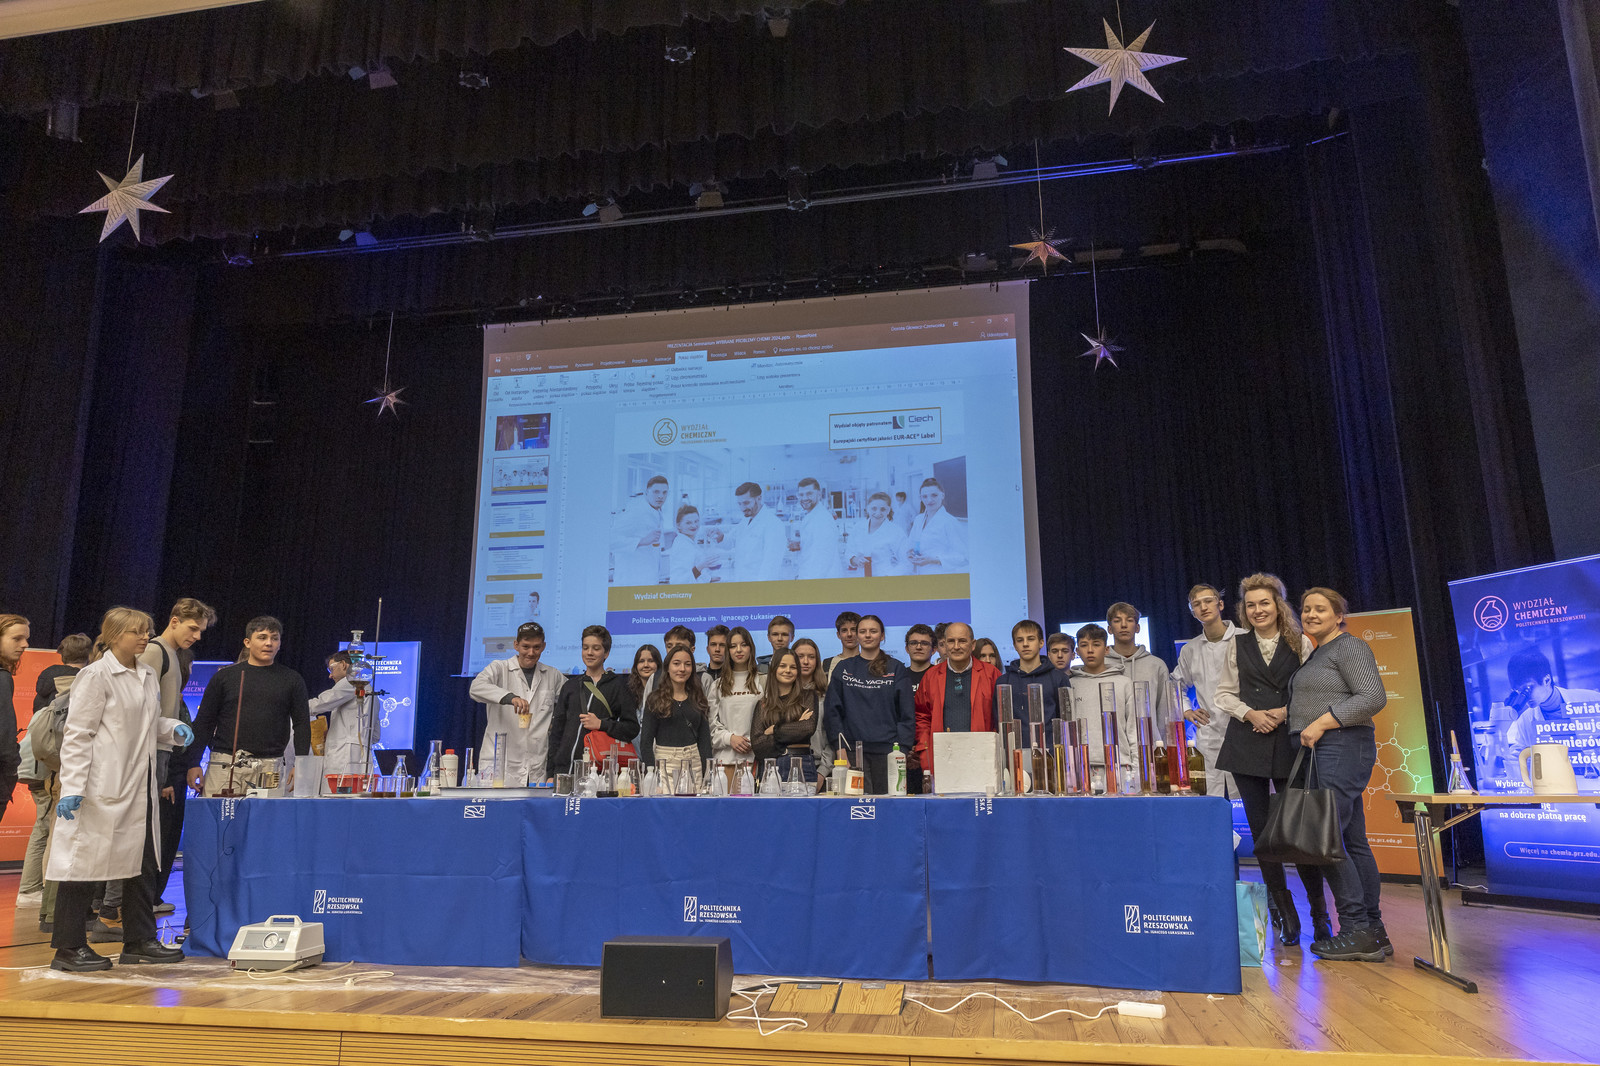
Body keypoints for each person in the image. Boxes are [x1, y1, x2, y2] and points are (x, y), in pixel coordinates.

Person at [47, 607, 193, 972]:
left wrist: (170, 729)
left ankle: (139, 940)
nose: (145, 637)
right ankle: (68, 947)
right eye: (137, 632)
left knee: (142, 864)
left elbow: (142, 724)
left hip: (137, 785)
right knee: (82, 865)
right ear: (114, 636)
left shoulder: (146, 674)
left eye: (148, 630)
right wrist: (73, 785)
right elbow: (79, 733)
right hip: (100, 786)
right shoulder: (96, 675)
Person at [1213, 574, 1328, 948]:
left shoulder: (1301, 642)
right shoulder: (1236, 645)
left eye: (1264, 603)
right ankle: (1285, 913)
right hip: (1246, 743)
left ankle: (1320, 915)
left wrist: (1281, 712)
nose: (1257, 610)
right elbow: (1223, 695)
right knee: (1263, 835)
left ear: (1278, 605)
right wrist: (1250, 713)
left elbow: (1313, 691)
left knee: (1299, 832)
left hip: (1290, 741)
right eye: (1250, 605)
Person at [1294, 587, 1389, 963]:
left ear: (1339, 616)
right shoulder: (1318, 652)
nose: (1311, 614)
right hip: (1329, 750)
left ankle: (1354, 929)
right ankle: (1373, 931)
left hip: (1342, 745)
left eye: (1320, 609)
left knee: (1328, 837)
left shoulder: (1349, 646)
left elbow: (1372, 696)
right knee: (1352, 839)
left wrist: (1321, 723)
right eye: (1306, 609)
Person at [137, 597, 214, 913]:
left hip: (162, 754)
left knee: (151, 837)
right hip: (148, 754)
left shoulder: (172, 654)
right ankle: (122, 907)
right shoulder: (155, 651)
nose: (196, 636)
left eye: (201, 631)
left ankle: (139, 905)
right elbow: (140, 710)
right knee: (142, 836)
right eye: (193, 628)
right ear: (174, 621)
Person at [190, 617, 310, 796]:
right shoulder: (225, 677)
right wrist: (193, 762)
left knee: (265, 814)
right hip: (225, 764)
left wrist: (301, 764)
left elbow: (301, 724)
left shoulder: (292, 679)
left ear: (279, 644)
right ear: (247, 642)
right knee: (220, 813)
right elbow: (204, 721)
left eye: (274, 638)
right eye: (262, 637)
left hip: (270, 765)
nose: (269, 643)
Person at [823, 614, 914, 794]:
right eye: (863, 631)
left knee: (887, 806)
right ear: (857, 636)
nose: (867, 635)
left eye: (873, 631)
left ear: (882, 636)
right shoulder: (844, 668)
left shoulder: (896, 668)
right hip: (852, 753)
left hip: (889, 753)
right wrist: (840, 749)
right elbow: (832, 712)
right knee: (857, 806)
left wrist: (902, 750)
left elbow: (907, 714)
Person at [1172, 584, 1245, 798]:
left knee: (1249, 797)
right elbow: (1176, 684)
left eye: (1208, 601)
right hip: (1209, 733)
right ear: (1193, 612)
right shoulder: (1190, 650)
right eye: (1196, 604)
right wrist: (1187, 711)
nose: (1203, 607)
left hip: (1244, 728)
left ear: (1220, 604)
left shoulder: (1245, 638)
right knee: (1211, 797)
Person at [470, 621, 565, 785]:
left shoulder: (552, 675)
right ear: (516, 645)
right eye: (526, 646)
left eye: (536, 647)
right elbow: (476, 688)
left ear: (543, 646)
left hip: (536, 766)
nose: (531, 652)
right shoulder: (499, 668)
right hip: (500, 765)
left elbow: (571, 698)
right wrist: (510, 697)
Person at [913, 622, 1000, 787]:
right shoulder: (931, 676)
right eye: (951, 641)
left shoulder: (991, 674)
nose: (956, 646)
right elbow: (921, 717)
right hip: (942, 759)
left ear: (972, 645)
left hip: (982, 759)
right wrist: (925, 753)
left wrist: (992, 750)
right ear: (944, 645)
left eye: (962, 641)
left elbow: (1000, 718)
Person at [548, 625, 639, 777]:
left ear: (606, 653)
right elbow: (557, 731)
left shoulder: (618, 686)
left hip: (598, 772)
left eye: (596, 648)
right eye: (585, 648)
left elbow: (632, 728)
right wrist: (551, 772)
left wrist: (601, 724)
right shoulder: (570, 686)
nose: (589, 652)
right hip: (564, 771)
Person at [1066, 624, 1136, 787]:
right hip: (1080, 767)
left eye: (1096, 644)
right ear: (1077, 651)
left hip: (1120, 766)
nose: (1090, 650)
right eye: (1084, 645)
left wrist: (1137, 770)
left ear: (1106, 650)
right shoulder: (1070, 685)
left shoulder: (1124, 683)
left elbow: (1133, 730)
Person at [640, 645, 715, 789]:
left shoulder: (698, 698)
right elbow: (646, 744)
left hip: (694, 765)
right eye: (676, 664)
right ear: (667, 667)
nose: (682, 669)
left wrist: (708, 778)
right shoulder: (654, 700)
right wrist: (653, 775)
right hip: (664, 766)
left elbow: (705, 743)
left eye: (687, 664)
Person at [1503, 646, 1600, 754]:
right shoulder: (1525, 720)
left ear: (1547, 680)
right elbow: (1518, 754)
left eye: (1528, 689)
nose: (1525, 697)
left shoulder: (1592, 700)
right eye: (1518, 691)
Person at [752, 648, 819, 784]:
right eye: (783, 666)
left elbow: (807, 728)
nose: (788, 670)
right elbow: (758, 746)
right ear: (773, 669)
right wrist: (794, 727)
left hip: (801, 765)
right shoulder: (763, 704)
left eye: (793, 667)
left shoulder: (808, 696)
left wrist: (773, 730)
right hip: (770, 768)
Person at [997, 620, 1071, 742]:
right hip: (1015, 751)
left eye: (1031, 639)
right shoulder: (1003, 682)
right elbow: (999, 724)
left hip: (1052, 751)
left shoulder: (1059, 678)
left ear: (1041, 643)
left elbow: (1066, 723)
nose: (1025, 644)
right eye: (1020, 640)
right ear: (1015, 645)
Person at [1105, 602, 1173, 722]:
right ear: (1110, 629)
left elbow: (1164, 711)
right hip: (1113, 734)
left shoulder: (1156, 665)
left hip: (1150, 734)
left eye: (1129, 620)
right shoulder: (1102, 665)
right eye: (1117, 621)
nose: (1124, 625)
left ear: (1137, 628)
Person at [308, 651, 372, 775]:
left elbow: (321, 703)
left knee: (338, 787)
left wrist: (293, 706)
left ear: (343, 664)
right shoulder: (371, 690)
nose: (330, 675)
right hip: (363, 755)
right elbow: (375, 735)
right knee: (358, 787)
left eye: (331, 669)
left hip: (344, 754)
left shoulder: (352, 681)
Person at [711, 626, 764, 767]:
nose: (738, 650)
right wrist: (730, 738)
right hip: (724, 763)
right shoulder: (717, 685)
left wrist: (756, 741)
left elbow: (770, 723)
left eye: (744, 645)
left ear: (751, 648)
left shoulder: (763, 681)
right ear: (728, 651)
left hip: (755, 761)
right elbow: (710, 727)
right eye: (733, 646)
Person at [610, 474, 672, 585]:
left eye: (664, 492)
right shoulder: (635, 512)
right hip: (631, 581)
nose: (660, 496)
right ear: (646, 492)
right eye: (656, 492)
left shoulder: (655, 511)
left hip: (648, 578)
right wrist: (641, 541)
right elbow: (611, 540)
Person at [726, 481, 787, 582]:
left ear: (759, 498)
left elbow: (771, 564)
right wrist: (720, 537)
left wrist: (760, 588)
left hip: (759, 585)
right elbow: (731, 541)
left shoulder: (773, 524)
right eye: (739, 504)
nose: (742, 508)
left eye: (746, 503)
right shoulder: (745, 521)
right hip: (741, 581)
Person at [906, 477, 967, 574]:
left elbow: (964, 557)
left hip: (940, 575)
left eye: (934, 495)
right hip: (919, 574)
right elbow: (911, 544)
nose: (929, 500)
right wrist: (910, 553)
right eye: (924, 496)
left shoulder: (949, 521)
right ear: (920, 498)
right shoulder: (918, 520)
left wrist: (934, 560)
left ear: (942, 495)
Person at [0, 615, 28, 824]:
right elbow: (5, 736)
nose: (25, 644)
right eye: (17, 638)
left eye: (26, 639)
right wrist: (11, 774)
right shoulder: (2, 678)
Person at [902, 624, 936, 791]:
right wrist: (904, 747)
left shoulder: (939, 676)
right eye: (913, 643)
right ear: (907, 648)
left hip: (932, 751)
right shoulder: (898, 676)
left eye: (924, 643)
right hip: (902, 750)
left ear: (934, 649)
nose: (918, 647)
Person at [790, 477, 844, 579]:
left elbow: (822, 559)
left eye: (809, 494)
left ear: (819, 495)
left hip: (820, 578)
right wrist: (801, 544)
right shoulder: (812, 516)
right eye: (801, 494)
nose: (804, 498)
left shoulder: (822, 519)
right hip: (813, 575)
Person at [848, 491, 906, 577]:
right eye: (874, 508)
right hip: (861, 578)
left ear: (888, 510)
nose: (878, 513)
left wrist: (889, 576)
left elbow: (906, 561)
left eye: (883, 509)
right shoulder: (858, 527)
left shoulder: (896, 531)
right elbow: (849, 552)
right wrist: (855, 560)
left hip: (885, 578)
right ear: (867, 509)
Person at [34, 633, 91, 711]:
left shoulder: (48, 676)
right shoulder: (89, 680)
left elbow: (38, 710)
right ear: (89, 655)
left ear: (62, 654)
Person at [668, 504, 719, 584]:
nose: (694, 525)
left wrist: (708, 579)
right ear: (678, 525)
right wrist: (702, 565)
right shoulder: (682, 545)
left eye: (696, 521)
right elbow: (681, 580)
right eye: (688, 523)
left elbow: (692, 571)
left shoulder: (688, 541)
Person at [823, 611, 860, 682]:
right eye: (844, 630)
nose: (849, 634)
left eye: (853, 630)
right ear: (838, 635)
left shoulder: (870, 663)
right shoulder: (826, 665)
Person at [701, 625, 729, 689]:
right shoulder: (699, 678)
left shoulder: (735, 676)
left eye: (722, 645)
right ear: (708, 649)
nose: (717, 649)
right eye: (713, 645)